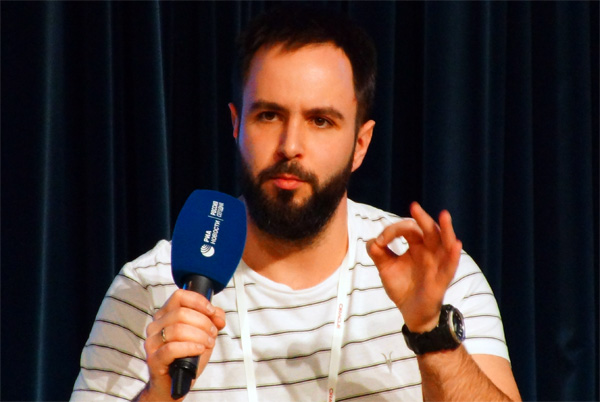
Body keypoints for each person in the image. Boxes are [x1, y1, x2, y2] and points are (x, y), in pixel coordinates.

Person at [71, 7, 521, 402]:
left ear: (360, 144)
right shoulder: (148, 287)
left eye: (320, 121)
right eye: (269, 115)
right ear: (236, 125)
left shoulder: (436, 279)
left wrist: (431, 333)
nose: (290, 146)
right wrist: (158, 395)